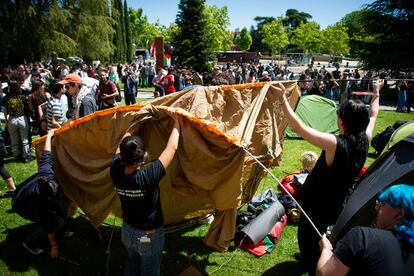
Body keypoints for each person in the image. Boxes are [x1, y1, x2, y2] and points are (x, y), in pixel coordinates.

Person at [270, 78, 384, 275]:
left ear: (341, 120)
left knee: (307, 234)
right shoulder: (365, 138)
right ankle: (316, 256)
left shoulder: (335, 143)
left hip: (317, 202)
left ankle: (312, 264)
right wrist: (376, 91)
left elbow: (300, 128)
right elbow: (374, 113)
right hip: (339, 200)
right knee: (321, 233)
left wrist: (282, 99)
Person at [110, 111, 180, 276]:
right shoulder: (147, 177)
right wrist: (177, 121)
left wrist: (133, 126)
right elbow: (172, 148)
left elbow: (122, 145)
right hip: (149, 236)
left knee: (131, 263)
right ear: (142, 159)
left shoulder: (115, 170)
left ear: (122, 157)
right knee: (149, 271)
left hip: (127, 231)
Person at [317, 184, 414, 276]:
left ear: (399, 214)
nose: (377, 209)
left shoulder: (363, 237)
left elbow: (324, 274)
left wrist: (326, 250)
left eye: (382, 205)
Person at [12, 129, 70, 258]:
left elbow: (46, 153)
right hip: (21, 204)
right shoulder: (40, 204)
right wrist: (54, 246)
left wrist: (49, 135)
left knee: (63, 208)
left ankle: (61, 230)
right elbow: (47, 226)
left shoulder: (46, 174)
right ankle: (30, 243)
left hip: (23, 193)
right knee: (55, 223)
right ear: (49, 198)